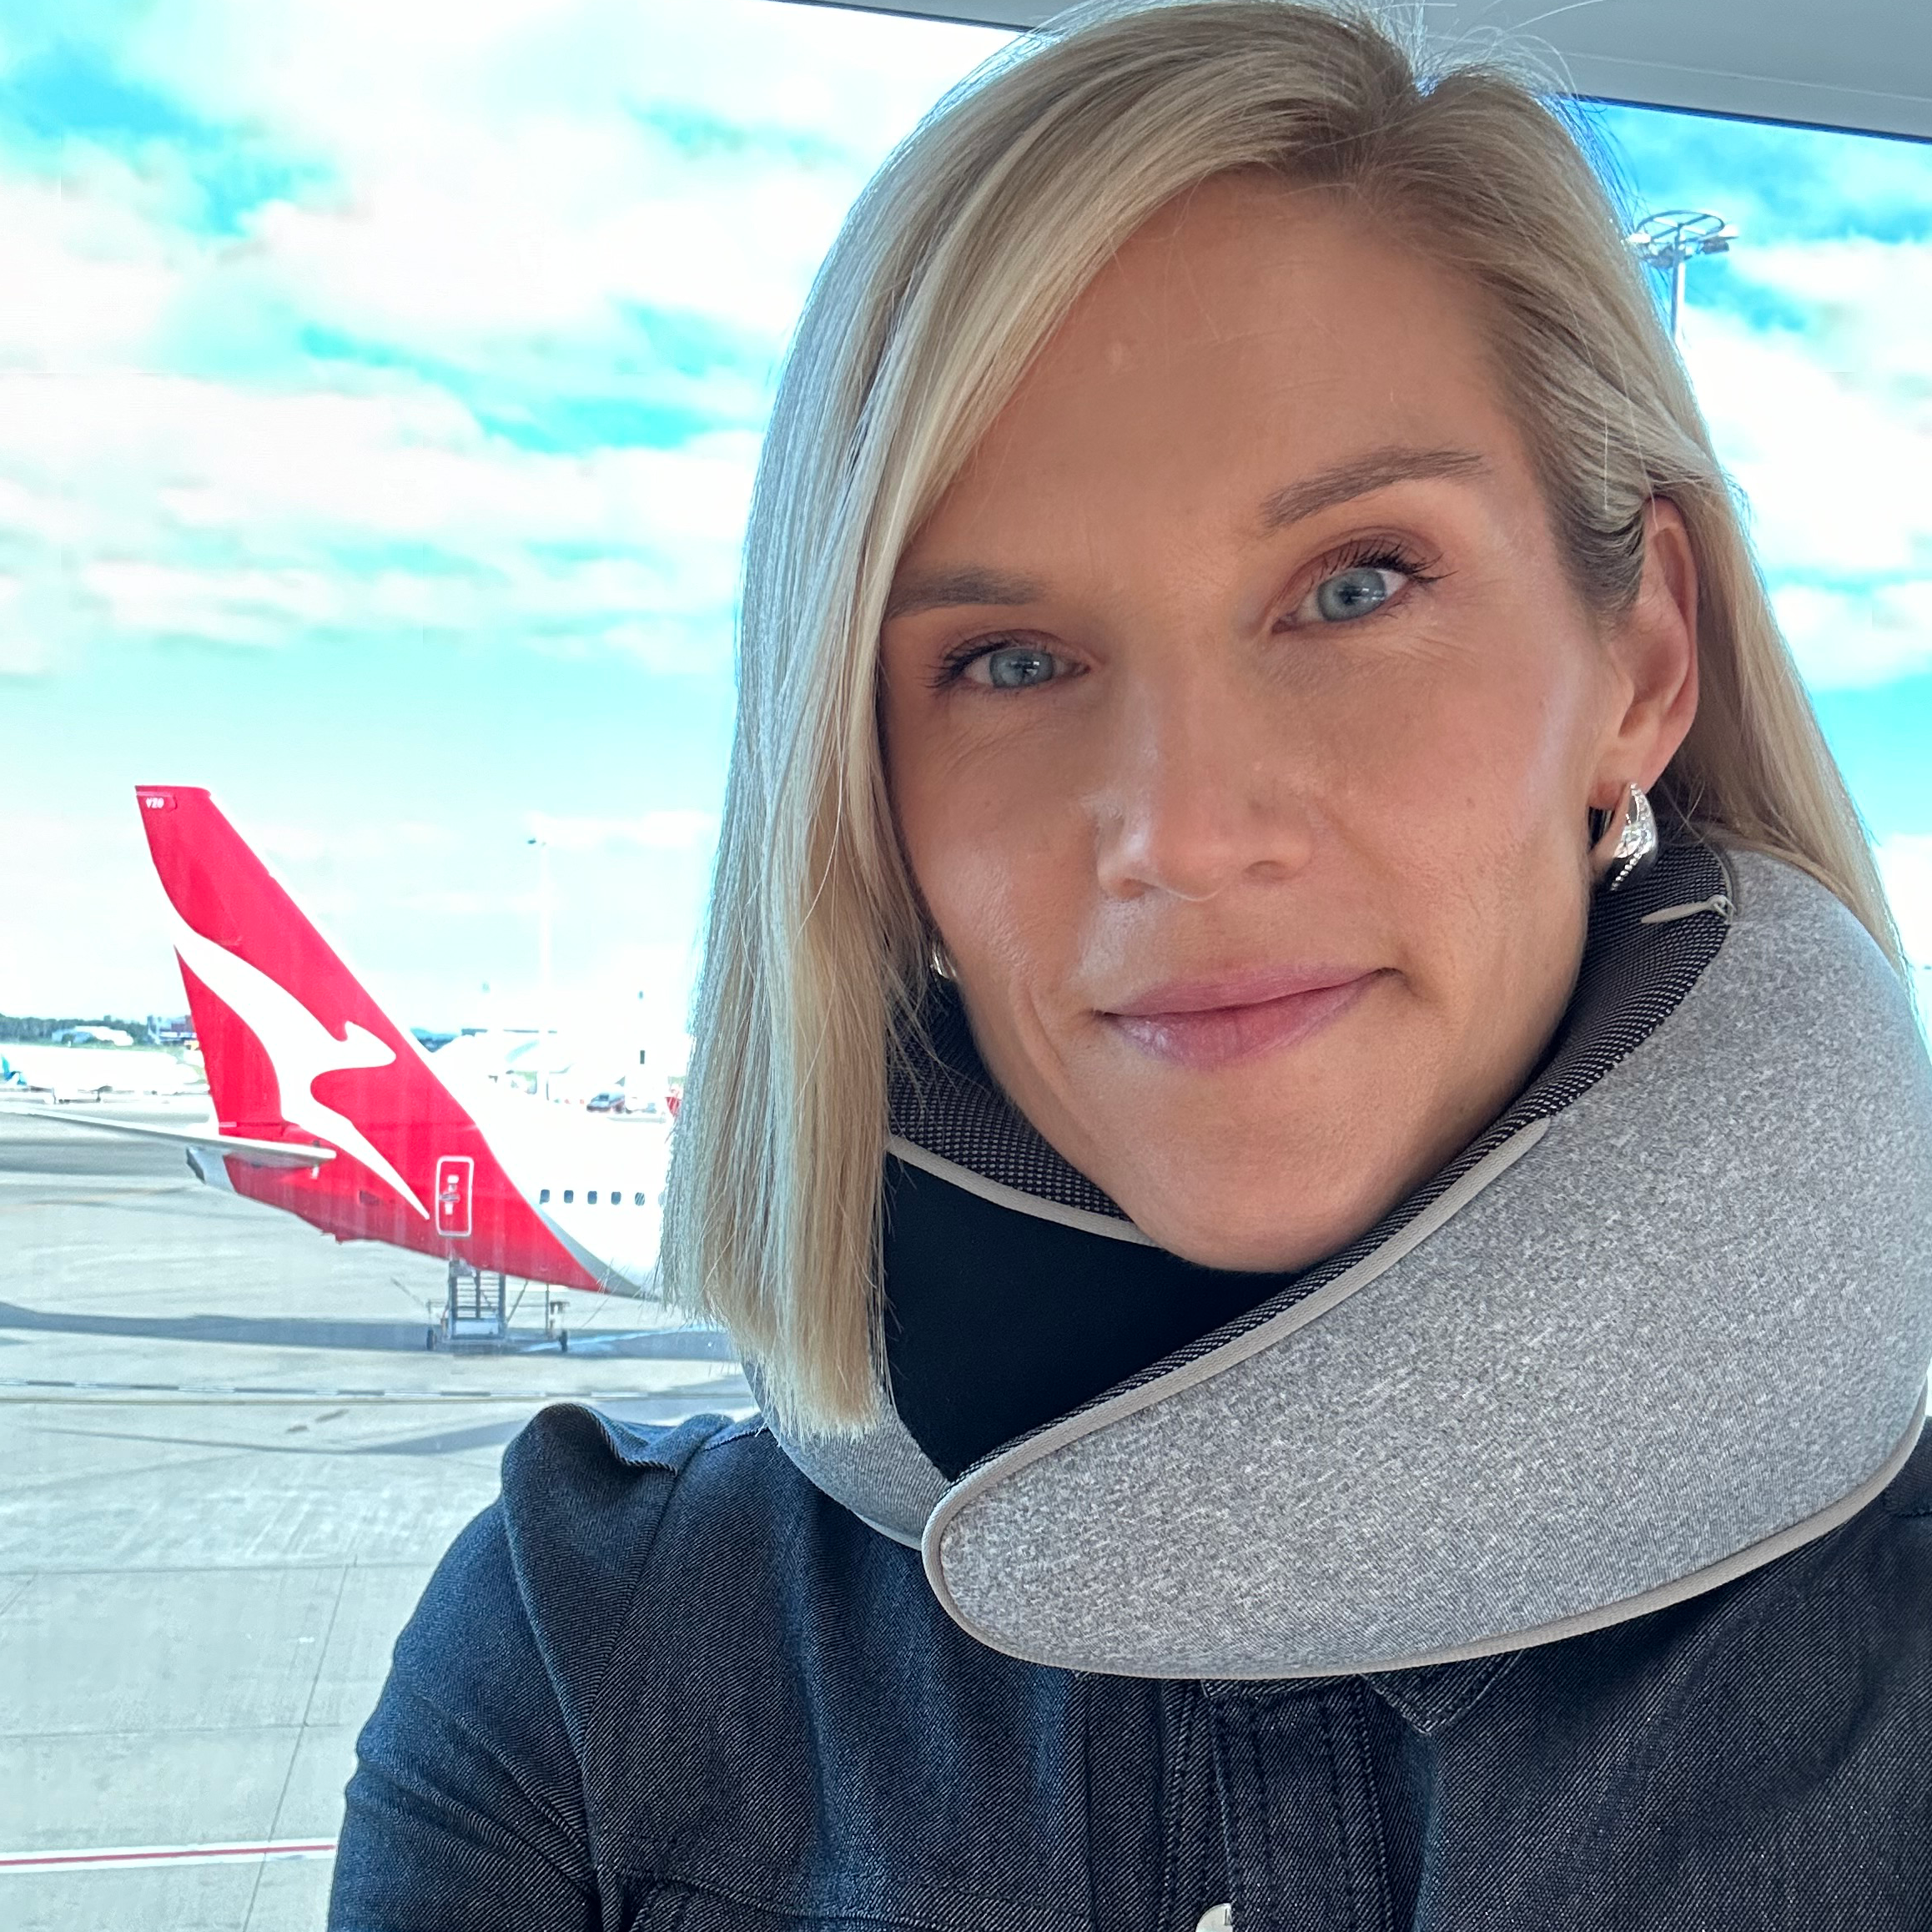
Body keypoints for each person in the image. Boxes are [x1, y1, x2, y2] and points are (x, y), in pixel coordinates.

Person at [329, 3, 1932, 1925]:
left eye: (1354, 586)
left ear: (1645, 663)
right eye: (1009, 662)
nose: (1179, 827)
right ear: (869, 792)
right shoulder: (590, 1665)